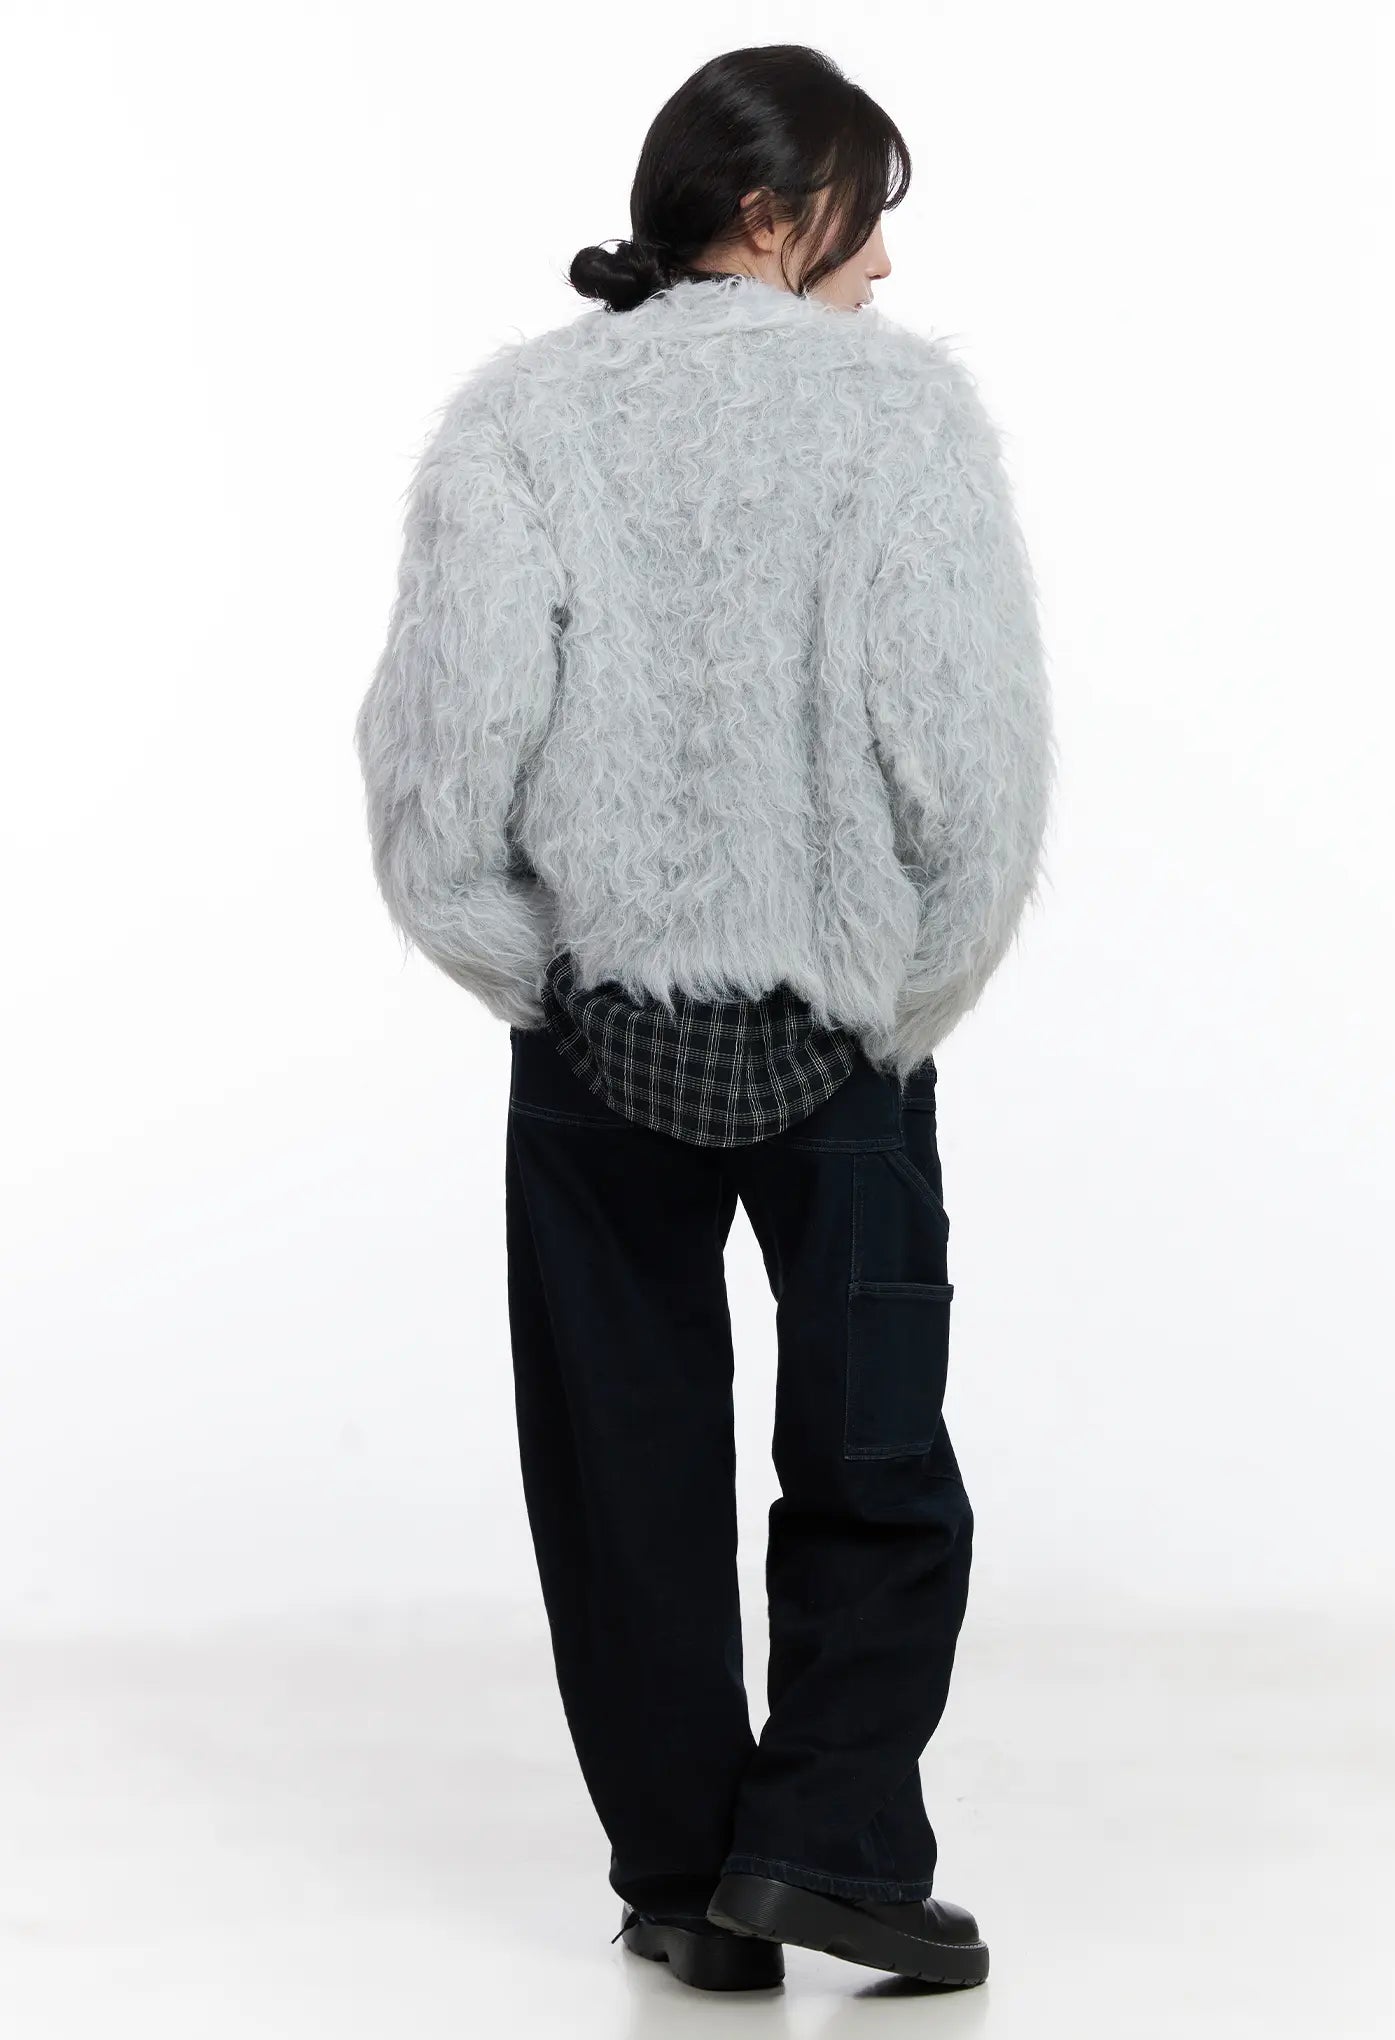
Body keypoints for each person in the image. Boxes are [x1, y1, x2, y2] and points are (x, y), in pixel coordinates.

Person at [353, 42, 1056, 1995]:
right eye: (865, 213)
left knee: (622, 1465)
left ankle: (682, 1874)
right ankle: (826, 1844)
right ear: (767, 210)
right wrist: (904, 996)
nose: (886, 263)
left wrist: (534, 975)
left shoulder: (522, 420)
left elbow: (439, 755)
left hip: (599, 1033)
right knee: (873, 1447)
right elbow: (976, 759)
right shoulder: (904, 420)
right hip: (842, 1030)